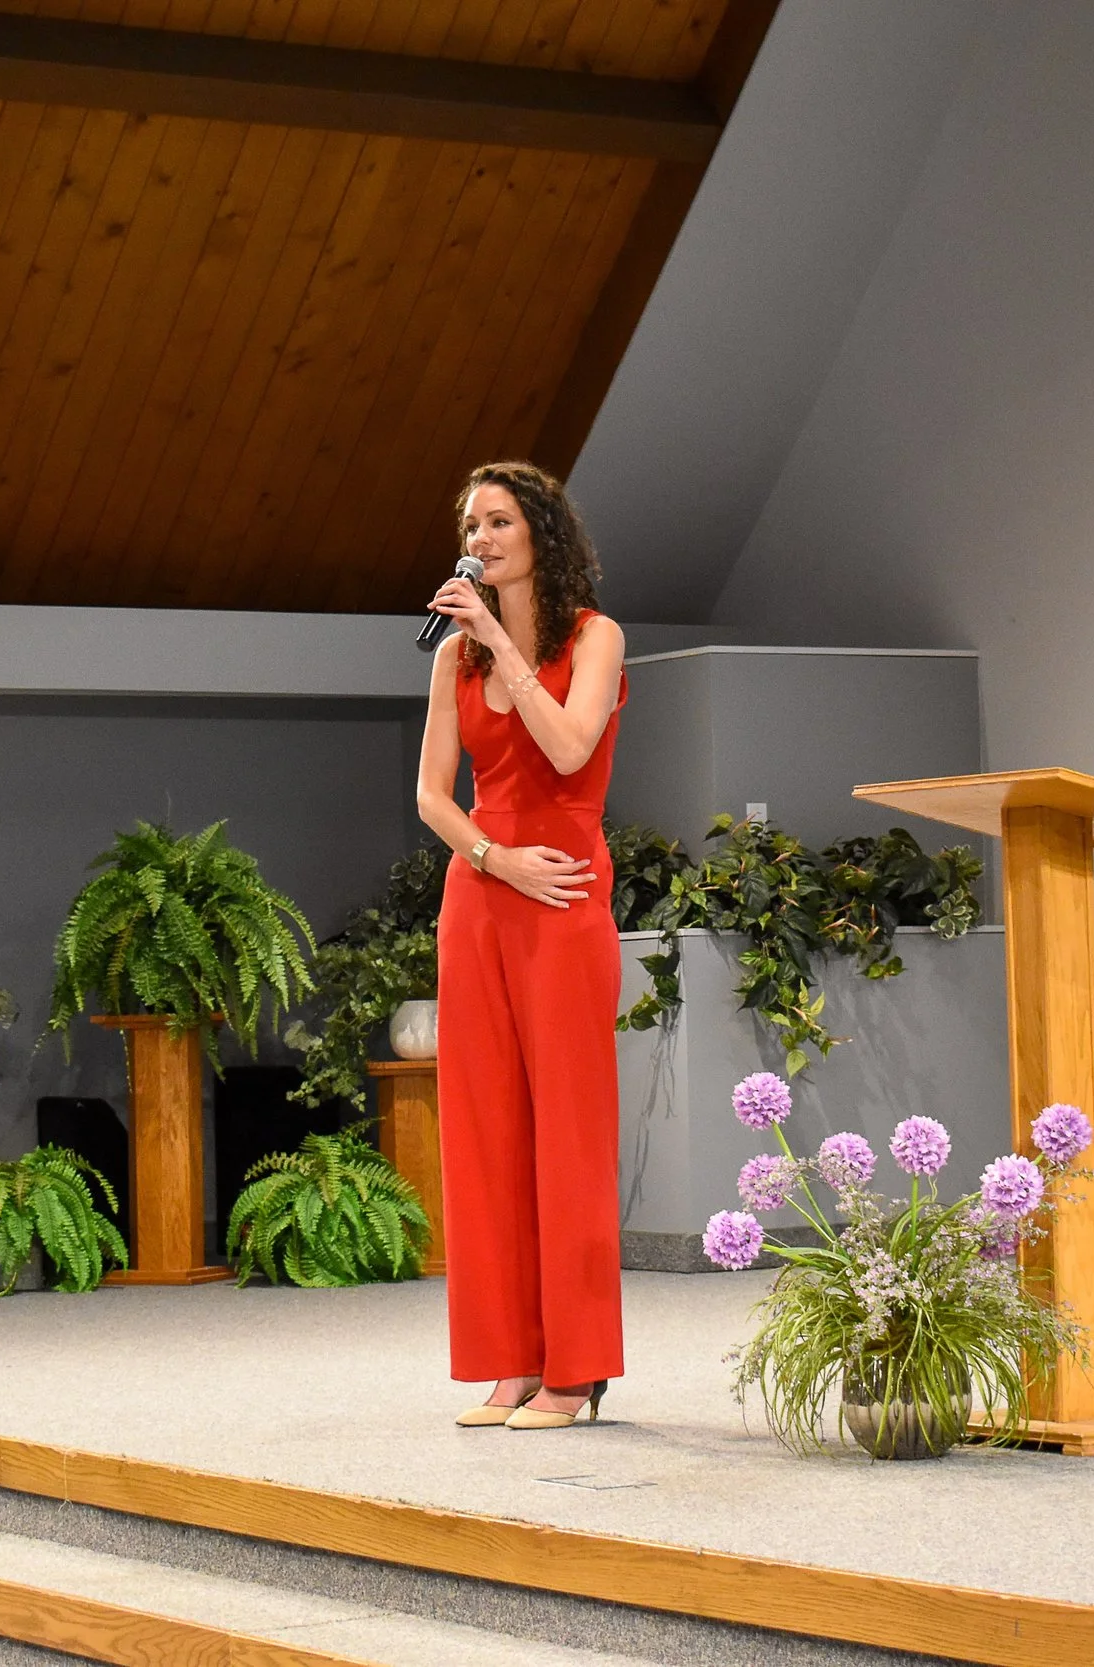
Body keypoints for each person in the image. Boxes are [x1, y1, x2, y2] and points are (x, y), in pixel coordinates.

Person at [416, 460, 627, 1431]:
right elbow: (431, 795)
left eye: (498, 520)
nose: (481, 536)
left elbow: (573, 748)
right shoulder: (447, 658)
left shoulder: (595, 637)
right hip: (485, 893)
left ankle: (574, 1370)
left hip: (567, 897)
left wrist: (502, 643)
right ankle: (509, 1357)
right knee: (486, 1130)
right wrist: (496, 858)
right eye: (471, 523)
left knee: (567, 1133)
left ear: (539, 530)